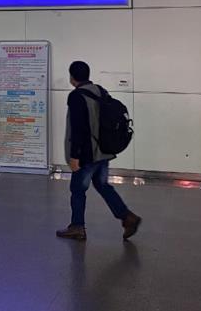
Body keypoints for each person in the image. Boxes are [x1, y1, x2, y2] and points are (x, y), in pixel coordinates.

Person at [57, 60, 141, 241]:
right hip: (103, 150)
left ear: (72, 77)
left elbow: (78, 129)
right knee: (102, 185)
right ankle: (127, 217)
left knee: (77, 190)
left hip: (87, 154)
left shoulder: (76, 96)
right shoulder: (100, 91)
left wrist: (74, 156)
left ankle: (77, 227)